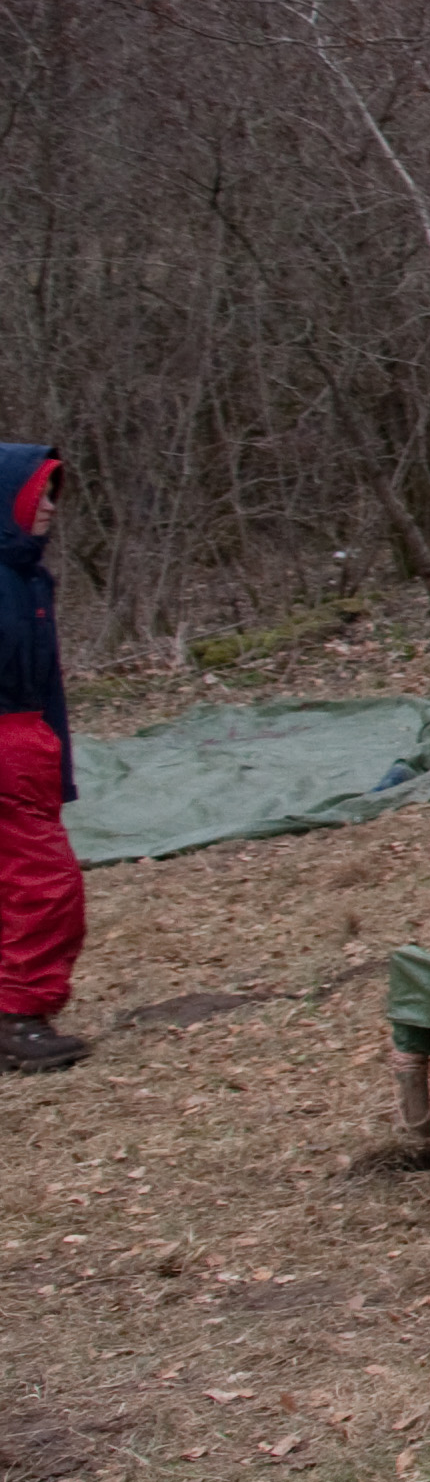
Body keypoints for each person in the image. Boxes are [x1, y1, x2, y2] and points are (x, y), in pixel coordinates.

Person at [0, 443, 89, 1073]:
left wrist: (57, 767)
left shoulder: (29, 577)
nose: (51, 507)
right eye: (41, 493)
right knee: (44, 885)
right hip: (9, 746)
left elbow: (47, 686)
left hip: (28, 744)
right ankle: (19, 1018)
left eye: (55, 493)